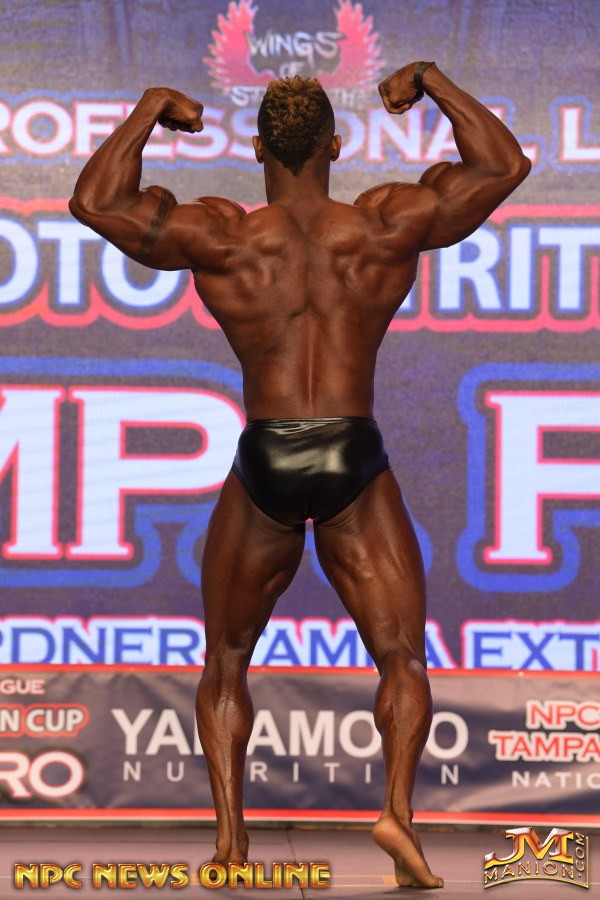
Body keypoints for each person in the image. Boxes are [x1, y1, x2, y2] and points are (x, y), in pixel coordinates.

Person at [70, 61, 530, 889]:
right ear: (337, 145)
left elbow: (97, 203)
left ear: (256, 150)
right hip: (353, 448)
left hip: (268, 453)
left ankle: (230, 844)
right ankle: (396, 814)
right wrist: (430, 82)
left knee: (226, 658)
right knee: (401, 658)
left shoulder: (226, 235)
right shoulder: (383, 222)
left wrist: (149, 109)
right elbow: (502, 166)